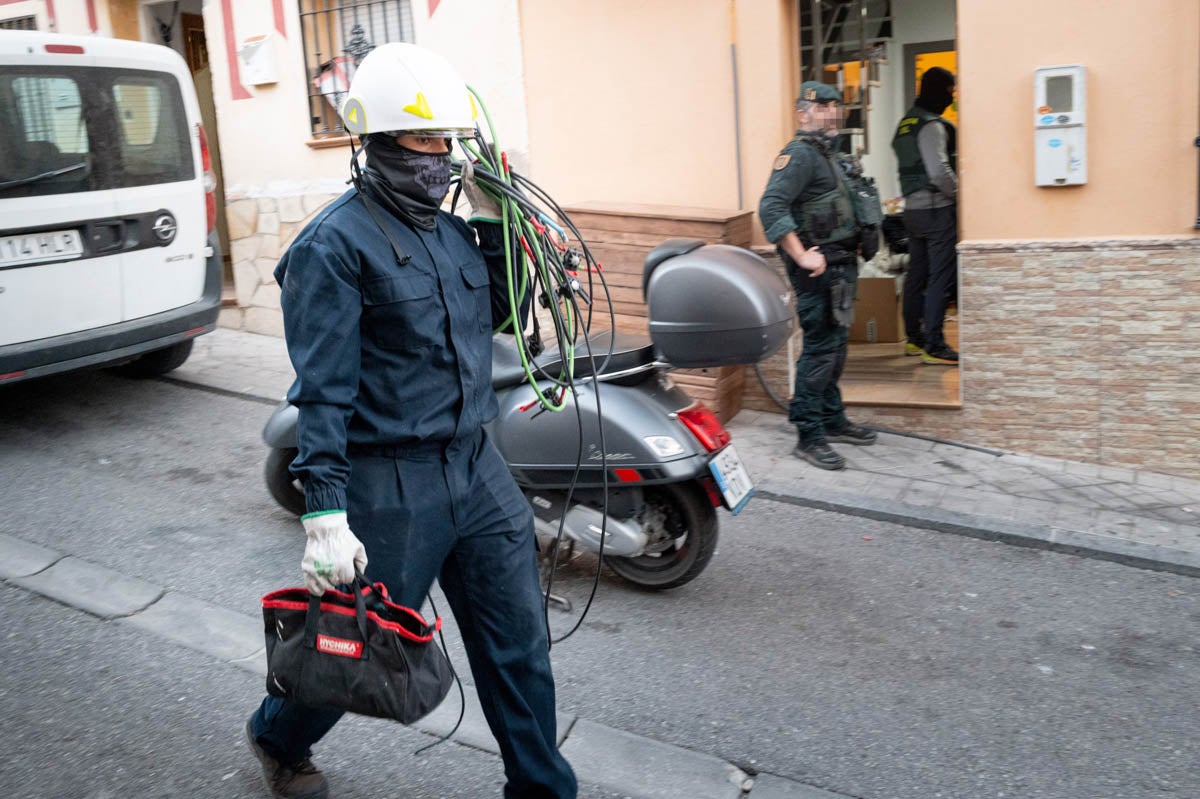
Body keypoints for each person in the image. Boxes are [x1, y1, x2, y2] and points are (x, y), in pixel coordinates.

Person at [243, 43, 577, 799]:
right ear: (381, 143)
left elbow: (491, 316)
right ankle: (278, 733)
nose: (444, 159)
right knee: (355, 651)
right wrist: (324, 513)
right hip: (389, 481)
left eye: (449, 143)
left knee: (517, 646)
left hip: (475, 465)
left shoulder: (451, 231)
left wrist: (497, 231)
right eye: (428, 142)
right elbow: (321, 391)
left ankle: (541, 788)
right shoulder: (332, 247)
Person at [759, 80, 880, 471]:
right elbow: (771, 206)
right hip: (819, 271)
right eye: (821, 106)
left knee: (836, 348)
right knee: (820, 352)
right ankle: (809, 435)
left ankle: (832, 418)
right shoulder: (799, 155)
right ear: (802, 113)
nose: (830, 112)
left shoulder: (829, 155)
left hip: (841, 268)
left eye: (834, 106)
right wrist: (801, 255)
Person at [892, 66, 959, 365]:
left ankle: (914, 340)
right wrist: (961, 196)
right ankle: (934, 343)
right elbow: (939, 171)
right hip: (936, 210)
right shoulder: (931, 125)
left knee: (916, 276)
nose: (951, 97)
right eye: (949, 91)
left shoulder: (906, 122)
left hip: (913, 210)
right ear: (939, 90)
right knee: (939, 279)